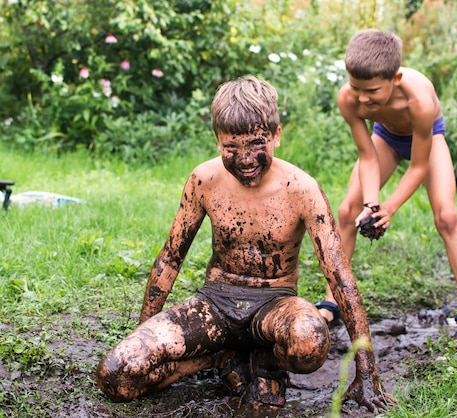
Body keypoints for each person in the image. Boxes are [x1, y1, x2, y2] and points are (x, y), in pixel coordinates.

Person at [95, 75, 393, 412]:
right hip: (215, 305)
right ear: (217, 140)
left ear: (276, 135)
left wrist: (367, 373)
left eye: (255, 144)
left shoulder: (302, 189)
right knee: (116, 376)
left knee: (311, 341)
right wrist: (145, 332)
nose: (245, 158)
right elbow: (171, 257)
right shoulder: (203, 180)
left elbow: (338, 275)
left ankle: (266, 364)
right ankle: (217, 359)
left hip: (274, 305)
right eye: (231, 147)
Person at [316, 29, 457, 337]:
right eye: (356, 88)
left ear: (395, 78)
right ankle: (334, 301)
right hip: (386, 139)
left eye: (372, 91)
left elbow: (419, 165)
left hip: (428, 138)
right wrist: (372, 204)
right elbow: (367, 156)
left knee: (447, 216)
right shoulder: (348, 99)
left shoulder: (418, 99)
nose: (363, 98)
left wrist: (390, 206)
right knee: (348, 211)